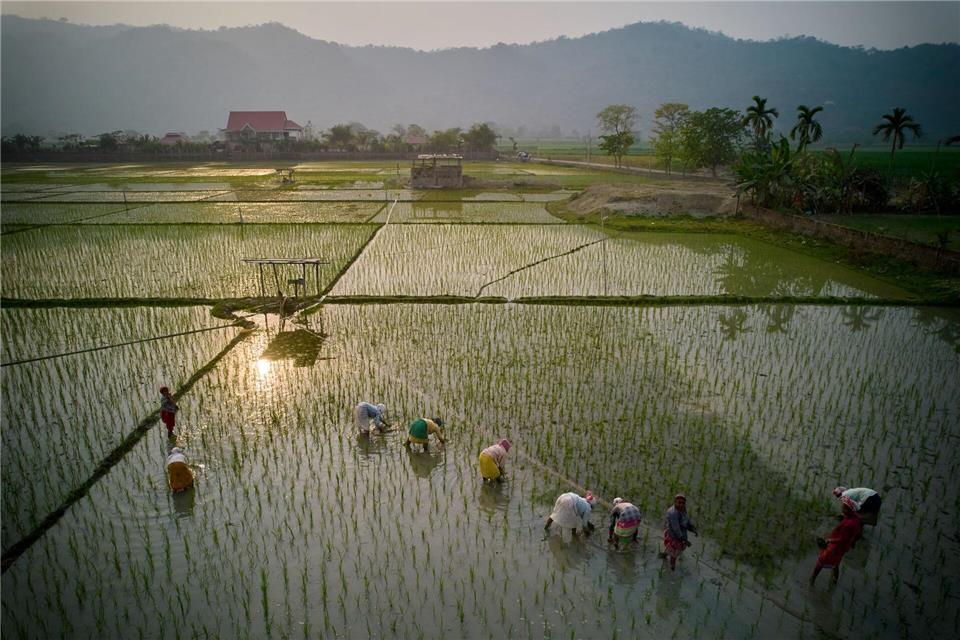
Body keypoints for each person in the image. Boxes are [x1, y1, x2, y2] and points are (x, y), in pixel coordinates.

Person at [810, 497, 863, 585]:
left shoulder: (848, 524)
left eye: (843, 507)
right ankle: (834, 580)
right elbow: (858, 534)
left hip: (835, 547)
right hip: (844, 548)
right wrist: (852, 542)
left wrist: (829, 540)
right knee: (836, 563)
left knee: (821, 561)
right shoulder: (856, 519)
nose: (842, 508)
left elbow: (842, 539)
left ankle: (812, 579)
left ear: (848, 510)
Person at [662, 494, 697, 570]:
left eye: (683, 503)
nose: (681, 504)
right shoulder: (673, 513)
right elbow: (676, 529)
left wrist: (692, 529)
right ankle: (672, 567)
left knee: (670, 548)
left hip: (681, 534)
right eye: (679, 502)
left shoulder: (683, 509)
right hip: (674, 536)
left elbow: (687, 520)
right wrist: (685, 540)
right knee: (674, 553)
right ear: (675, 502)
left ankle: (664, 554)